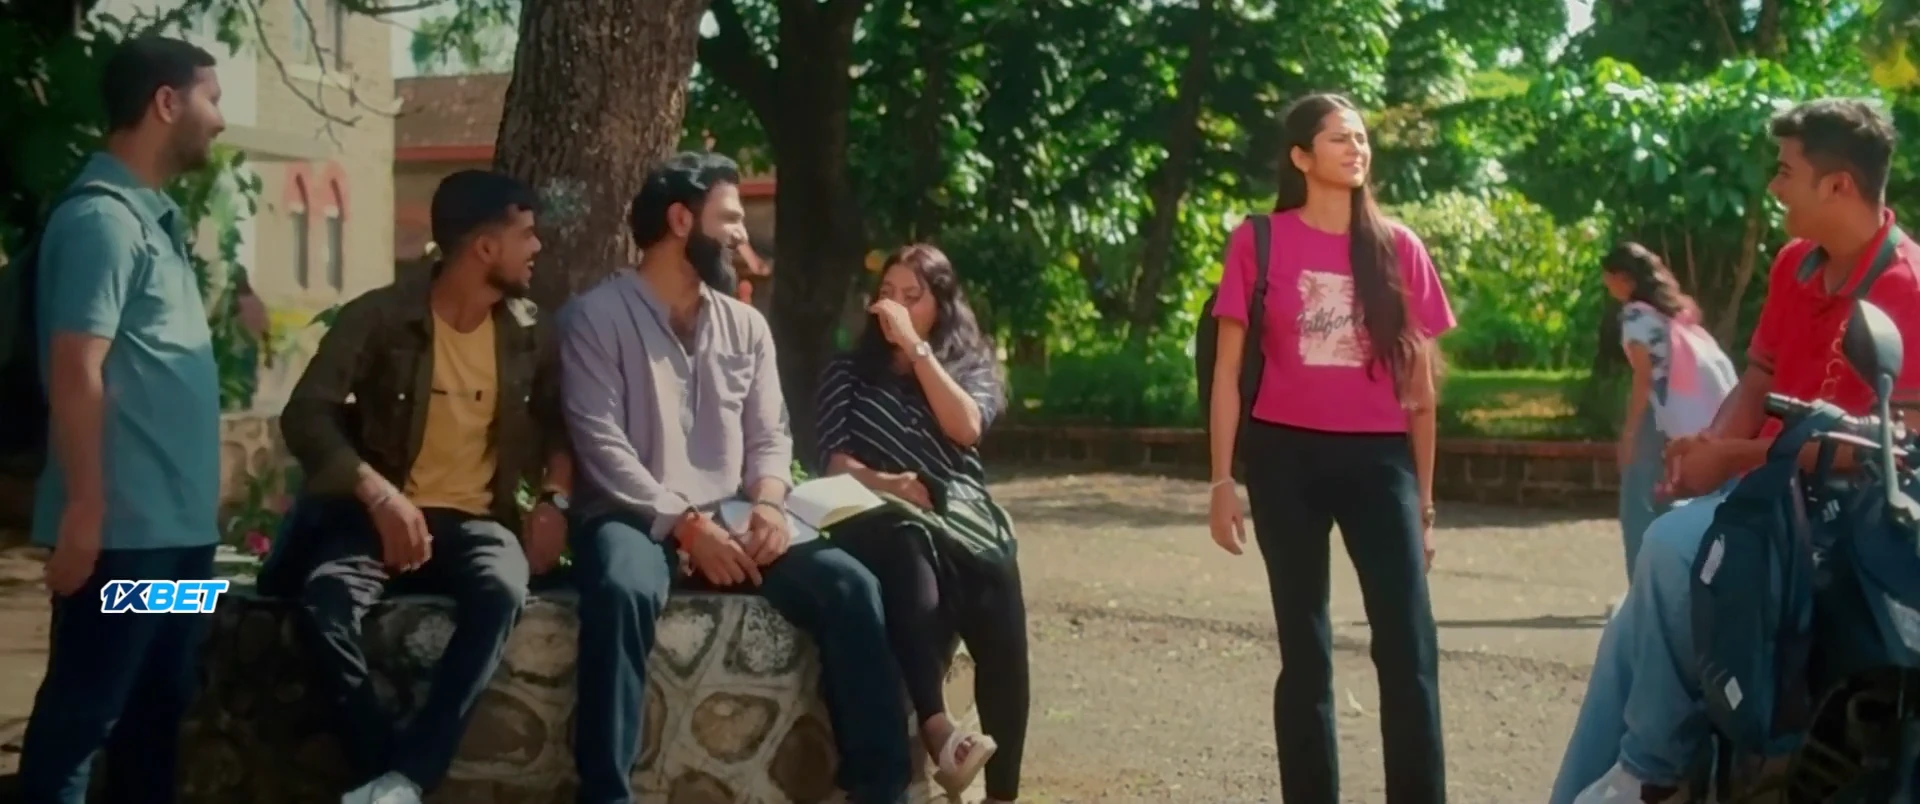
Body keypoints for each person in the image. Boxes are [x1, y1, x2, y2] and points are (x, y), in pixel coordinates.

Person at [1550, 98, 1920, 804]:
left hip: (1839, 517)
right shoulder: (1793, 264)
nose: (1773, 187)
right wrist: (1712, 444)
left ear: (1837, 185)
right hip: (1764, 493)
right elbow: (1758, 377)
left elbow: (1883, 449)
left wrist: (1732, 459)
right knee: (1631, 627)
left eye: (1785, 172)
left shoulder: (1909, 286)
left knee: (1668, 546)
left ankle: (1651, 769)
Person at [558, 152, 911, 804]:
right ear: (680, 220)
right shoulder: (594, 318)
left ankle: (880, 791)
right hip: (633, 514)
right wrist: (686, 526)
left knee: (850, 586)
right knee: (620, 588)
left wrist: (771, 506)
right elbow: (602, 447)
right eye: (730, 219)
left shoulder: (745, 325)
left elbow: (771, 437)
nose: (742, 235)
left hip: (734, 511)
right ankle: (605, 795)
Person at [276, 169, 571, 804]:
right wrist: (378, 494)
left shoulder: (531, 332)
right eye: (525, 234)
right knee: (324, 606)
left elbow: (559, 428)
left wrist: (554, 501)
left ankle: (406, 779)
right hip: (378, 519)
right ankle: (384, 775)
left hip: (477, 522)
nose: (537, 247)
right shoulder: (379, 316)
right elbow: (305, 415)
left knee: (502, 591)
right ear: (484, 247)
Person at [1203, 92, 1456, 804]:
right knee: (1305, 650)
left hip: (1380, 463)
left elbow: (1422, 394)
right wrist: (1221, 481)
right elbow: (1226, 373)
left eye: (1362, 137)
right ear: (1301, 156)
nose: (1357, 149)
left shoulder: (1398, 247)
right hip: (1284, 462)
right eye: (1340, 138)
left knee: (1408, 647)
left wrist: (1424, 506)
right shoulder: (1257, 241)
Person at [14, 36, 229, 804]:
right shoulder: (100, 223)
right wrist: (84, 511)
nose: (221, 119)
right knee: (86, 717)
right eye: (211, 98)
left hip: (180, 543)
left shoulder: (154, 222)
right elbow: (76, 367)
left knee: (156, 715)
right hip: (124, 543)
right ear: (166, 102)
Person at [814, 244, 1031, 802]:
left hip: (957, 515)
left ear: (941, 305)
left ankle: (1003, 792)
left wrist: (916, 351)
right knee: (907, 545)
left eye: (913, 296)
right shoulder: (848, 372)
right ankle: (939, 732)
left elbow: (966, 428)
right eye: (888, 294)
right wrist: (888, 484)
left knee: (998, 581)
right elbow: (831, 461)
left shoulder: (971, 366)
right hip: (875, 514)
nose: (896, 306)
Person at [1600, 243, 1736, 591]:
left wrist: (1629, 434)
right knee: (1668, 500)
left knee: (1638, 504)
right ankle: (1675, 583)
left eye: (1609, 278)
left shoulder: (1635, 317)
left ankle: (1642, 588)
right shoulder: (1671, 313)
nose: (1607, 285)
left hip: (1656, 415)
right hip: (1682, 416)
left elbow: (1643, 378)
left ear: (1624, 279)